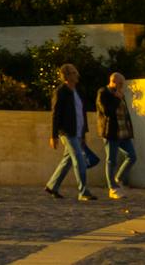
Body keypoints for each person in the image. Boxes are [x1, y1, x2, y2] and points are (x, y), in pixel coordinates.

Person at [46, 62, 97, 200]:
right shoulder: (60, 92)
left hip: (77, 132)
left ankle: (52, 186)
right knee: (79, 160)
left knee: (67, 160)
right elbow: (55, 114)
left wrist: (83, 133)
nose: (77, 75)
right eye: (74, 73)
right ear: (67, 76)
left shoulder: (77, 92)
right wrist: (54, 135)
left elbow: (81, 113)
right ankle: (83, 191)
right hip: (67, 132)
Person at [99, 71, 136, 198]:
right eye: (120, 83)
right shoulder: (103, 93)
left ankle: (117, 179)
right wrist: (116, 98)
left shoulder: (119, 94)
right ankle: (112, 188)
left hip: (123, 132)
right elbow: (106, 111)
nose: (122, 86)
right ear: (113, 81)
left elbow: (125, 113)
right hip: (111, 132)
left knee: (132, 156)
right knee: (111, 160)